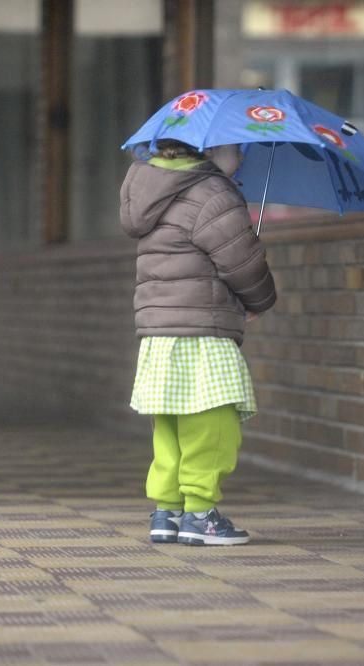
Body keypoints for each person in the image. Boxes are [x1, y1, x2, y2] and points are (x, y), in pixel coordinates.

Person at [120, 139, 277, 546]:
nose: (242, 156)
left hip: (159, 331)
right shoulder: (212, 191)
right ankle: (201, 514)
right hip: (202, 329)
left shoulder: (145, 185)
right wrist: (259, 300)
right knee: (213, 423)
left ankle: (167, 510)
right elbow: (241, 260)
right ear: (209, 149)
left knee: (169, 425)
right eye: (236, 148)